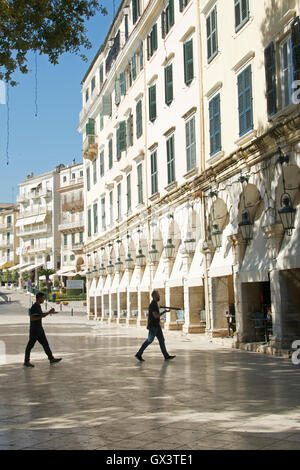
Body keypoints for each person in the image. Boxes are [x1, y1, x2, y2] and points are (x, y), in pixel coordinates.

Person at [135, 290, 176, 362]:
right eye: (158, 295)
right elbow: (156, 316)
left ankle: (166, 356)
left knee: (161, 340)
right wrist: (164, 312)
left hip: (157, 326)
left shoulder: (155, 304)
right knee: (149, 340)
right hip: (153, 326)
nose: (159, 296)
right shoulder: (153, 305)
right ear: (154, 296)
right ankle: (139, 354)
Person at [24, 292, 62, 368]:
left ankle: (51, 359)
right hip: (34, 330)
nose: (44, 299)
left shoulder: (38, 306)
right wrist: (48, 312)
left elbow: (40, 315)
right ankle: (26, 361)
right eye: (43, 298)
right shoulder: (34, 307)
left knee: (45, 344)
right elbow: (32, 318)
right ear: (39, 298)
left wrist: (48, 313)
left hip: (39, 329)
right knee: (30, 345)